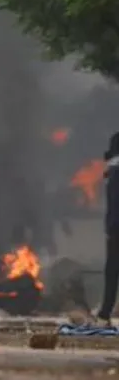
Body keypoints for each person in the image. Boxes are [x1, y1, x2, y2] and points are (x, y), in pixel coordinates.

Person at [96, 132, 119, 325]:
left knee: (112, 271)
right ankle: (105, 312)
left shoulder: (114, 173)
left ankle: (105, 313)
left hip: (116, 228)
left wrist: (110, 227)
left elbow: (114, 204)